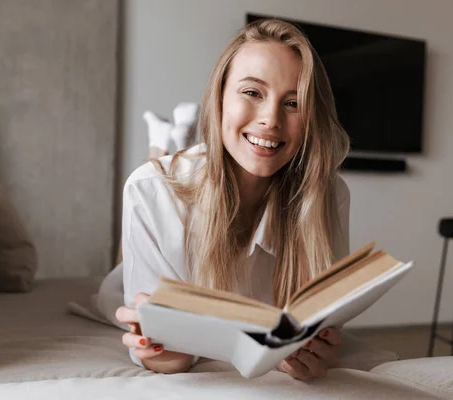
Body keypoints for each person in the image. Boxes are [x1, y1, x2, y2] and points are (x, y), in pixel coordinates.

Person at [114, 18, 351, 380]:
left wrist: (317, 351)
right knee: (153, 187)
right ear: (219, 96)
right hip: (119, 278)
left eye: (293, 103)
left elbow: (319, 324)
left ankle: (171, 137)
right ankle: (163, 142)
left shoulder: (328, 195)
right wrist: (162, 352)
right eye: (252, 93)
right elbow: (163, 355)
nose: (271, 120)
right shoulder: (148, 189)